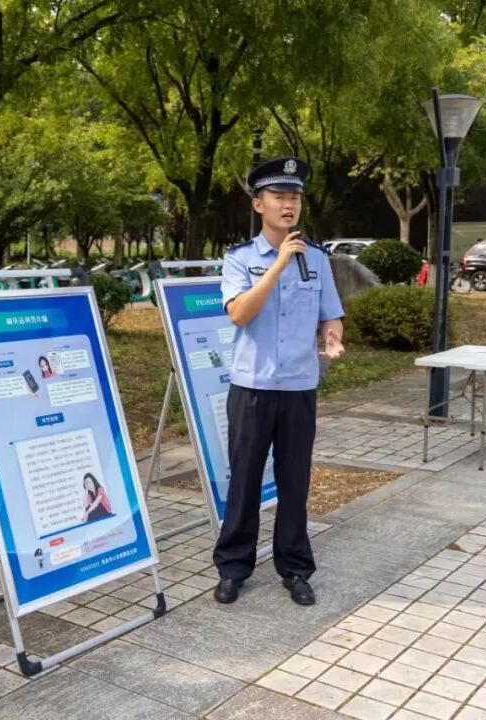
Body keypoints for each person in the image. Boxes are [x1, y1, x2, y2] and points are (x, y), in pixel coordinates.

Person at [214, 156, 344, 607]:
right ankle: (233, 568)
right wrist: (279, 264)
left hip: (298, 387)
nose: (289, 206)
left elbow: (331, 315)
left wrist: (333, 336)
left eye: (295, 198)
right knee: (244, 481)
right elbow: (239, 313)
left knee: (294, 482)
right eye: (280, 197)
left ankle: (295, 568)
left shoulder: (318, 259)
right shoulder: (239, 259)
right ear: (259, 204)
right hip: (252, 387)